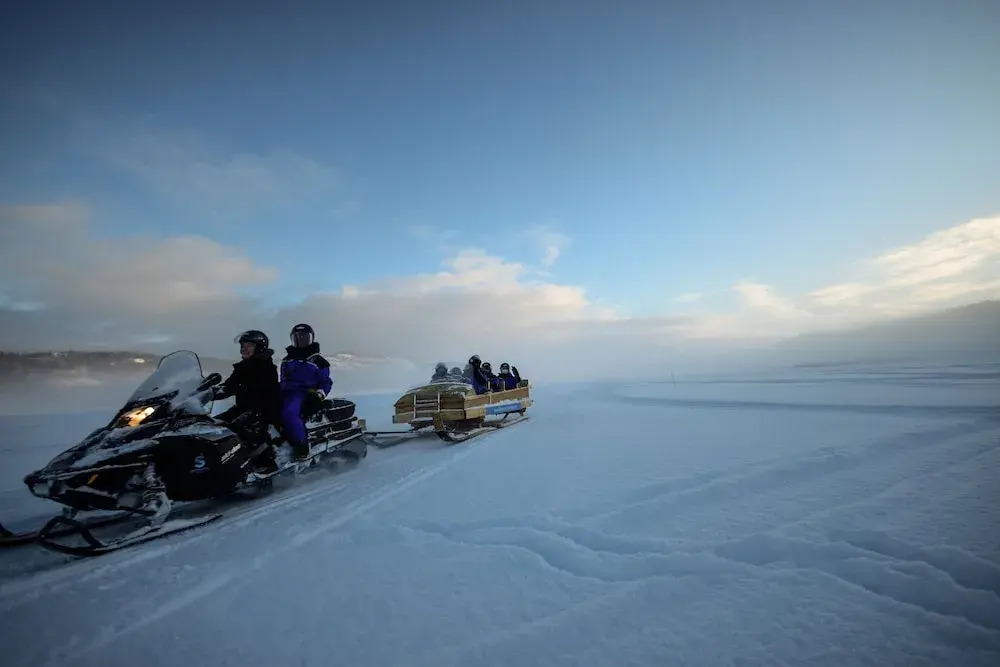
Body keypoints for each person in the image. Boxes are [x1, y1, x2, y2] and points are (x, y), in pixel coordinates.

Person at [214, 330, 281, 473]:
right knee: (211, 425)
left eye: (249, 345)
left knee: (238, 427)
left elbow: (264, 391)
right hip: (243, 407)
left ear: (260, 346)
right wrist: (210, 392)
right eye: (243, 345)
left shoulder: (266, 366)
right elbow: (229, 385)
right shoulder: (242, 367)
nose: (244, 348)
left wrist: (238, 387)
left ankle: (265, 463)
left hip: (263, 409)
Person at [279, 323, 332, 461]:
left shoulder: (318, 361)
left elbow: (326, 381)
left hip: (304, 393)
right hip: (284, 391)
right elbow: (283, 379)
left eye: (304, 337)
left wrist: (319, 394)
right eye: (297, 337)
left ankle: (301, 445)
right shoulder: (287, 359)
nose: (300, 340)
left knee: (289, 412)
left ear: (310, 339)